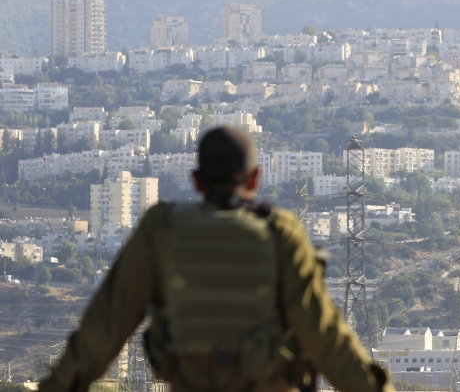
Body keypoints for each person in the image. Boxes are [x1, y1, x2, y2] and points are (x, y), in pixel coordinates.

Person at [40, 126, 390, 392]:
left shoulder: (161, 229)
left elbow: (104, 328)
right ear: (255, 178)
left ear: (195, 180)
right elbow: (324, 337)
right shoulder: (281, 232)